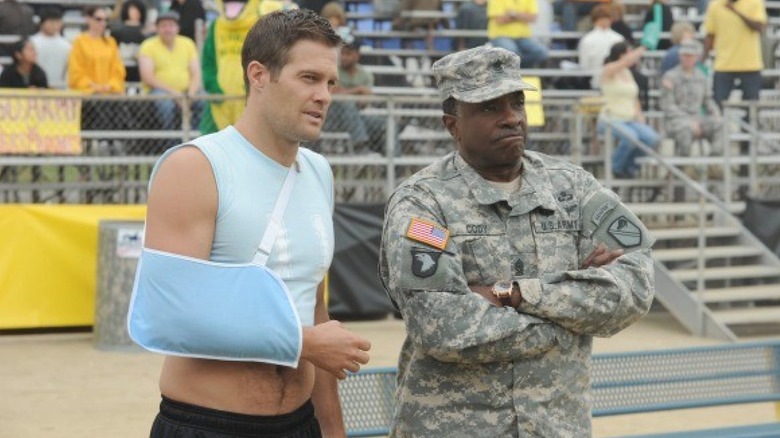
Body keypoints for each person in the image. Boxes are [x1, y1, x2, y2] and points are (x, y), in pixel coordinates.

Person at [379, 46, 655, 437]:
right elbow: (439, 325)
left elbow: (637, 286)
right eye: (490, 108)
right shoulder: (423, 202)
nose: (512, 118)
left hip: (556, 425)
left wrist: (516, 295)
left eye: (517, 102)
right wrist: (571, 320)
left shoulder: (572, 186)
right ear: (452, 124)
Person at [140, 9, 371, 437]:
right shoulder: (195, 166)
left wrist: (333, 428)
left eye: (330, 82)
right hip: (207, 423)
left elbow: (313, 305)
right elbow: (167, 317)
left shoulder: (319, 171)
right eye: (308, 78)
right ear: (259, 75)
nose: (324, 95)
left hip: (299, 422)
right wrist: (302, 343)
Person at [598, 42, 660, 178]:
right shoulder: (608, 69)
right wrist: (643, 47)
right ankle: (616, 168)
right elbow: (624, 62)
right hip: (610, 118)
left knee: (651, 138)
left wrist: (639, 114)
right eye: (630, 53)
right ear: (622, 55)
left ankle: (630, 167)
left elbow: (634, 97)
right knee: (631, 137)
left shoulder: (627, 73)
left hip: (629, 118)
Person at [138, 10, 202, 132]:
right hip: (159, 91)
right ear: (157, 29)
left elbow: (196, 73)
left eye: (171, 25)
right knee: (165, 105)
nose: (168, 29)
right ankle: (169, 141)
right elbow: (148, 78)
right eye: (163, 26)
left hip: (187, 91)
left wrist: (191, 94)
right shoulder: (147, 45)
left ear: (178, 28)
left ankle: (196, 139)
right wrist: (174, 93)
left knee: (204, 101)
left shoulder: (188, 43)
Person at [661, 39, 724, 157]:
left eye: (690, 56)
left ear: (696, 58)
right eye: (685, 55)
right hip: (676, 121)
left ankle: (714, 163)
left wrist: (716, 114)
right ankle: (682, 167)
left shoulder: (701, 76)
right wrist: (688, 121)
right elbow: (667, 105)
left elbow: (707, 100)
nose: (687, 58)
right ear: (680, 56)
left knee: (720, 125)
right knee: (685, 130)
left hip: (697, 117)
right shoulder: (670, 76)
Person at [68, 6, 127, 130]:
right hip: (88, 92)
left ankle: (115, 141)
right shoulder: (79, 42)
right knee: (100, 106)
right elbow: (76, 71)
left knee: (121, 107)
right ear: (88, 19)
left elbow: (118, 70)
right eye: (98, 19)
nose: (103, 23)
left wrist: (110, 85)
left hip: (110, 91)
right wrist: (92, 86)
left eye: (105, 20)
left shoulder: (111, 42)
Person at [703, 0, 767, 109]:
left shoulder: (755, 2)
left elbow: (759, 27)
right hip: (724, 65)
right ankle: (719, 127)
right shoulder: (715, 5)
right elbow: (710, 34)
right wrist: (704, 56)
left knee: (751, 109)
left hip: (750, 65)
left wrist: (736, 11)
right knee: (717, 107)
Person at [487, 0, 549, 68]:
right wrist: (522, 16)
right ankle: (518, 69)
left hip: (523, 36)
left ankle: (517, 68)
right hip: (500, 35)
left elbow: (533, 17)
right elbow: (499, 19)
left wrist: (513, 14)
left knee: (542, 52)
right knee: (512, 53)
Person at [578, 4, 624, 89]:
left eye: (606, 18)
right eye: (601, 19)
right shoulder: (587, 40)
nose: (604, 21)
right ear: (595, 20)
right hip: (597, 83)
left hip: (616, 82)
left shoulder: (619, 39)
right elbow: (584, 66)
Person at [30, 7, 71, 89]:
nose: (54, 25)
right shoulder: (32, 43)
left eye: (57, 21)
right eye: (51, 21)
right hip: (36, 89)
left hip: (59, 89)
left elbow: (68, 70)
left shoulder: (67, 45)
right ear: (42, 23)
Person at [109, 0, 149, 83]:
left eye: (137, 10)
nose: (135, 13)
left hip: (140, 68)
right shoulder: (116, 31)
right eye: (132, 10)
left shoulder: (147, 31)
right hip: (121, 66)